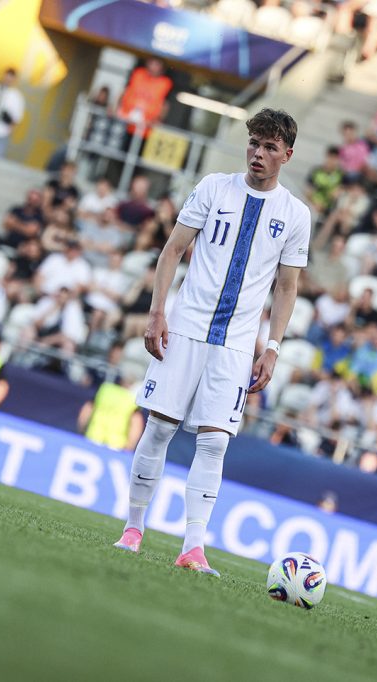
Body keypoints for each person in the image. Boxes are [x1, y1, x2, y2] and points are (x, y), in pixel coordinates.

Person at [113, 109, 311, 576]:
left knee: (215, 443)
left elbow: (286, 287)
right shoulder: (213, 187)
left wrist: (273, 346)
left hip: (237, 344)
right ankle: (133, 528)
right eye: (253, 143)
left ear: (287, 154)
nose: (257, 154)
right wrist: (158, 310)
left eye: (268, 147)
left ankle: (193, 546)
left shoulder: (296, 215)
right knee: (159, 428)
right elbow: (173, 250)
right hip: (186, 326)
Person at [78, 373, 144, 451]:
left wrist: (81, 430)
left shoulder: (105, 389)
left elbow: (87, 410)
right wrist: (130, 446)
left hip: (92, 438)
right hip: (116, 446)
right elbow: (136, 423)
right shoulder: (132, 399)